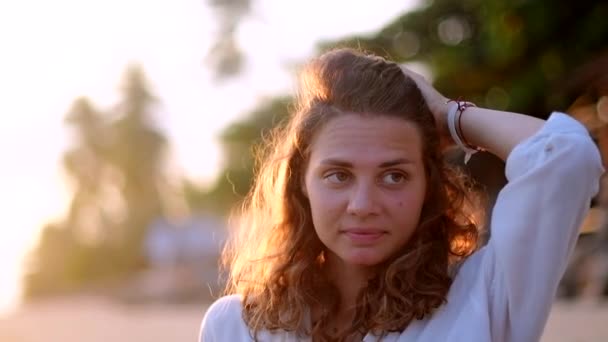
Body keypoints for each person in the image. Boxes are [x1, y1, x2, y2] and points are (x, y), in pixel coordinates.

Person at [199, 48, 603, 342]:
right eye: (338, 175)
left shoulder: (483, 299)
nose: (363, 206)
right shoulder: (236, 327)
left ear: (429, 186)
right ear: (300, 184)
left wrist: (450, 116)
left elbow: (567, 157)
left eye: (394, 176)